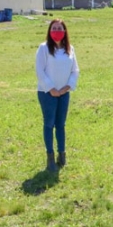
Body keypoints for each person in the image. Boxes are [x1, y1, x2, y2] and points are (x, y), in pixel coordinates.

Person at [35, 19, 79, 172]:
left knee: (61, 125)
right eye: (54, 28)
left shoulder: (70, 49)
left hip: (64, 93)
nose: (57, 31)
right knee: (49, 124)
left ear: (65, 31)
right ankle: (50, 157)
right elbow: (40, 71)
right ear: (49, 30)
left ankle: (62, 155)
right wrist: (51, 88)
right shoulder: (44, 48)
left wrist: (68, 86)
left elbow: (75, 70)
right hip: (47, 93)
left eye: (60, 28)